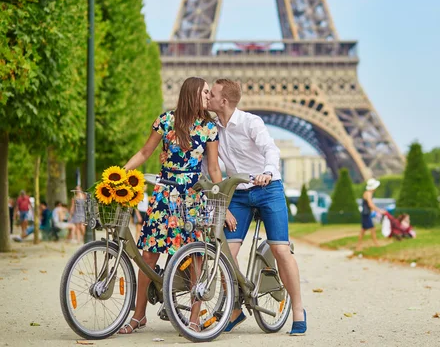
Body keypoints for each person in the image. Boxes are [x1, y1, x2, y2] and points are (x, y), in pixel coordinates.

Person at [118, 77, 221, 334]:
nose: (209, 96)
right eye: (205, 92)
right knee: (149, 255)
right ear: (192, 93)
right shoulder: (165, 121)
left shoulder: (209, 128)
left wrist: (223, 201)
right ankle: (138, 315)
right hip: (165, 194)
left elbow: (214, 168)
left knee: (195, 257)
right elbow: (144, 153)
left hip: (193, 198)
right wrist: (120, 173)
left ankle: (194, 319)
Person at [206, 78, 307, 336]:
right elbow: (209, 163)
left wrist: (268, 172)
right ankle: (236, 308)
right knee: (226, 254)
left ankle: (298, 309)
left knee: (280, 249)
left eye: (213, 94)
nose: (208, 97)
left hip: (267, 189)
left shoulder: (252, 122)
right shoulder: (212, 128)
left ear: (224, 101)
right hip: (237, 194)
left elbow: (270, 150)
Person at [357, 178, 385, 251]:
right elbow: (370, 204)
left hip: (366, 213)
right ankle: (376, 243)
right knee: (372, 228)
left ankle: (358, 246)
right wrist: (379, 210)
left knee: (363, 230)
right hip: (366, 214)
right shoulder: (368, 193)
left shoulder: (368, 193)